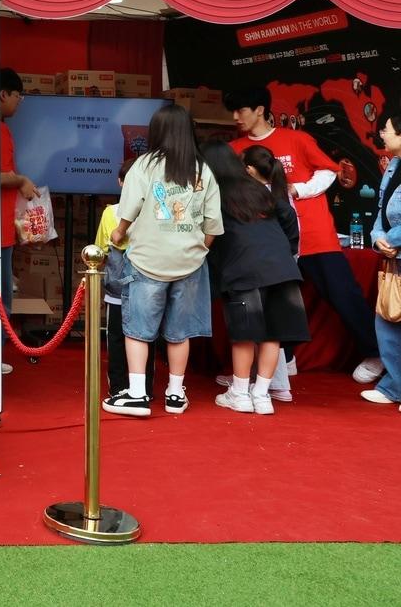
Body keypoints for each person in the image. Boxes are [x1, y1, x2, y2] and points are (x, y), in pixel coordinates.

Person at [224, 86, 382, 383]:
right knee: (276, 302)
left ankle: (376, 352)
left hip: (314, 233)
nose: (235, 117)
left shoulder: (296, 138)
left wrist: (298, 189)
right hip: (269, 242)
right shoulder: (234, 149)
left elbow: (329, 171)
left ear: (260, 110)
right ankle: (285, 361)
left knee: (343, 293)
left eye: (240, 110)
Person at [103, 104, 223, 417]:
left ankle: (137, 395)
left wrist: (119, 232)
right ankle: (175, 394)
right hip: (190, 262)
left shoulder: (144, 165)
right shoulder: (202, 170)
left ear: (156, 132)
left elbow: (128, 210)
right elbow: (213, 225)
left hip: (147, 259)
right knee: (179, 332)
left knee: (137, 329)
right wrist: (197, 249)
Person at [200, 141, 310, 415]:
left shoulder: (214, 192)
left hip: (243, 269)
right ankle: (261, 396)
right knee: (273, 334)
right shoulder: (256, 187)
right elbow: (287, 214)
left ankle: (239, 393)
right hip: (281, 268)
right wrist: (288, 249)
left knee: (244, 334)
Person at [238, 144, 298, 400]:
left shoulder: (254, 195)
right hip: (284, 264)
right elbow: (293, 229)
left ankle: (264, 385)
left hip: (260, 265)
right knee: (274, 329)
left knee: (256, 329)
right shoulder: (279, 191)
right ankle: (268, 386)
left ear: (250, 169)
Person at [95, 157, 155, 397]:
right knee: (147, 336)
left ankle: (118, 387)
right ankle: (146, 388)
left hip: (118, 288)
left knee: (116, 339)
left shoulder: (110, 213)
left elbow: (100, 250)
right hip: (149, 286)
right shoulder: (155, 214)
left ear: (120, 182)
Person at [362, 103, 401, 412]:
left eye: (386, 129)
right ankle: (394, 387)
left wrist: (393, 239)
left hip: (396, 247)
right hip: (392, 256)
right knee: (387, 320)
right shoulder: (392, 166)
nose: (382, 134)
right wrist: (378, 238)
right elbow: (380, 210)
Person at [0, 69, 39, 339]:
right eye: (18, 96)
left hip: (2, 226)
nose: (19, 102)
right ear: (3, 94)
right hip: (0, 230)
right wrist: (22, 180)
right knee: (1, 299)